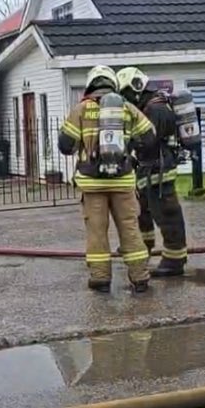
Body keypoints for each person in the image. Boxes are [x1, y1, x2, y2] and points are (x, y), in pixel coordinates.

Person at [58, 66, 156, 293]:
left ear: (91, 84)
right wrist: (130, 146)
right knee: (130, 228)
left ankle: (101, 280)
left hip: (92, 184)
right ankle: (140, 278)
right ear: (113, 84)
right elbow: (150, 138)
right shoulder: (127, 108)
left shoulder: (81, 110)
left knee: (97, 231)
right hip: (122, 181)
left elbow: (65, 146)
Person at [116, 67, 189, 277]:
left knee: (167, 215)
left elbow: (149, 141)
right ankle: (142, 249)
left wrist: (131, 146)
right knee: (143, 212)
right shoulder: (151, 106)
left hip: (159, 170)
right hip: (150, 169)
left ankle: (174, 261)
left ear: (136, 87)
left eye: (126, 94)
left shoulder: (156, 109)